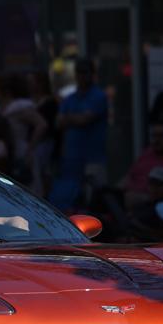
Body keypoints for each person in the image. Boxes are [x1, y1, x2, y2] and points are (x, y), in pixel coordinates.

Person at [50, 58, 108, 210]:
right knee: (70, 201)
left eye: (85, 72)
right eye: (78, 72)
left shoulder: (98, 96)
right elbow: (59, 123)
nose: (81, 76)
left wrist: (70, 118)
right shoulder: (70, 98)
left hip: (93, 157)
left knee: (93, 200)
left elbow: (84, 120)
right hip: (71, 158)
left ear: (92, 74)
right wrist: (77, 118)